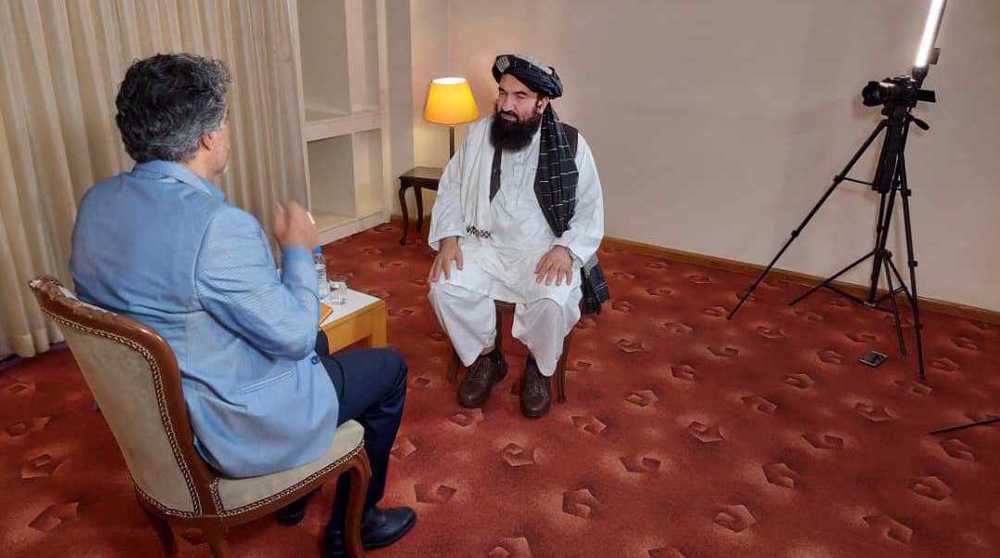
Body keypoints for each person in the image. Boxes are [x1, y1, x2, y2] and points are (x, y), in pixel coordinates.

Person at [69, 53, 414, 557]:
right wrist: (298, 248)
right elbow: (293, 334)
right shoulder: (218, 226)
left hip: (159, 405)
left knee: (318, 341)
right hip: (222, 424)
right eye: (226, 119)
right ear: (209, 136)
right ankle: (353, 526)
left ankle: (297, 495)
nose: (229, 130)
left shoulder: (97, 203)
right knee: (387, 370)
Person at [427, 54, 608, 418]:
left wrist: (565, 249)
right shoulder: (480, 134)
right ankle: (486, 358)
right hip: (485, 246)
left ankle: (538, 370)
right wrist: (449, 238)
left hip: (543, 252)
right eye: (502, 93)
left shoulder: (571, 145)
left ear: (543, 102)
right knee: (443, 286)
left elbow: (590, 211)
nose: (506, 105)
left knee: (552, 301)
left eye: (520, 96)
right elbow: (451, 188)